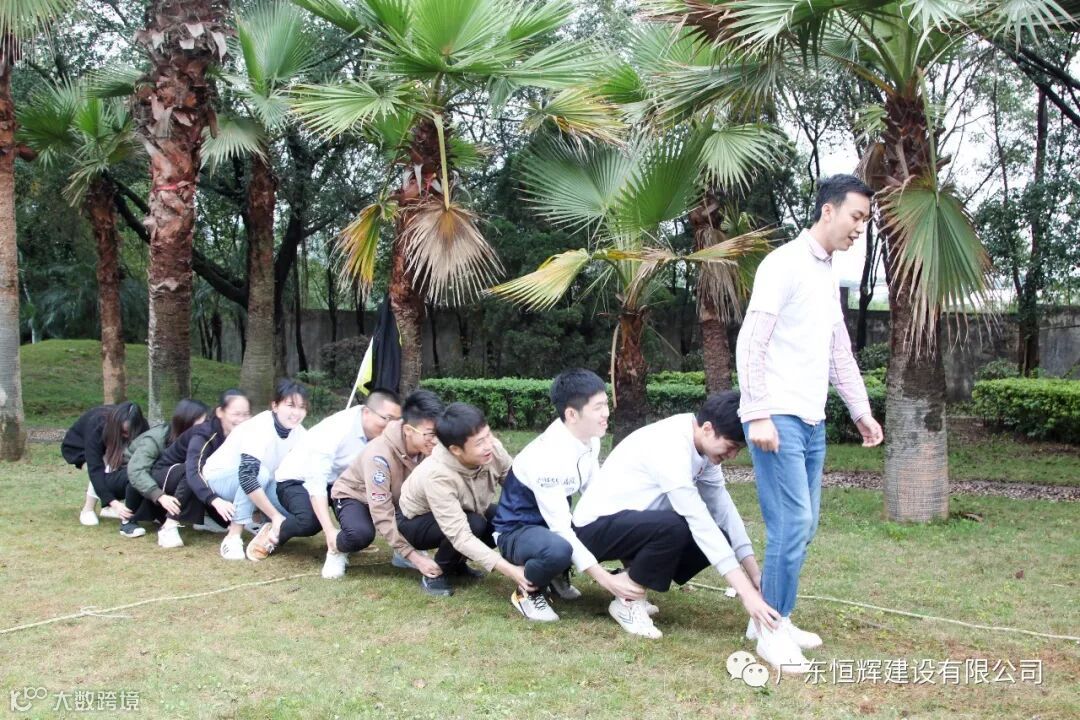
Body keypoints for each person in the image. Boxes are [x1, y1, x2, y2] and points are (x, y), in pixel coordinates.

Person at [736, 174, 884, 672]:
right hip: (777, 417)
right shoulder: (783, 264)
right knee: (791, 523)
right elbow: (751, 341)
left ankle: (771, 615)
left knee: (805, 525)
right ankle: (770, 631)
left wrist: (861, 411)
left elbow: (839, 351)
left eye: (866, 220)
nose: (860, 227)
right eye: (856, 216)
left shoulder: (826, 272)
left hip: (812, 420)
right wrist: (757, 413)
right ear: (828, 210)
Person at [572, 392, 780, 641]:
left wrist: (755, 576)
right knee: (675, 527)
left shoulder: (703, 450)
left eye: (738, 449)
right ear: (707, 428)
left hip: (628, 526)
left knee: (720, 534)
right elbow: (698, 520)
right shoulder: (670, 445)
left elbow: (724, 511)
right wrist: (746, 594)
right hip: (591, 531)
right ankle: (628, 601)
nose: (733, 455)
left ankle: (627, 580)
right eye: (731, 446)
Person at [491, 369, 646, 623]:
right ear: (572, 414)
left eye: (605, 404)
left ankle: (557, 574)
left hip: (553, 523)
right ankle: (527, 592)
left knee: (619, 521)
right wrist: (606, 580)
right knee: (558, 549)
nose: (606, 413)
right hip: (517, 532)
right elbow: (561, 529)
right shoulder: (547, 457)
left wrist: (626, 524)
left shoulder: (590, 440)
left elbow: (597, 494)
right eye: (598, 407)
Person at [396, 403, 534, 597]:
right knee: (475, 524)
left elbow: (518, 487)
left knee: (501, 518)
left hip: (466, 510)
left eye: (488, 435)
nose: (488, 445)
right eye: (479, 443)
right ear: (456, 449)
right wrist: (511, 570)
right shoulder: (437, 475)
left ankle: (457, 564)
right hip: (415, 521)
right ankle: (437, 573)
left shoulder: (493, 449)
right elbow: (459, 534)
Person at [247, 390, 402, 561]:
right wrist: (329, 531)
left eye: (396, 420)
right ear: (366, 412)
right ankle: (275, 531)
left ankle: (346, 540)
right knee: (310, 522)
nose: (391, 426)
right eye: (387, 419)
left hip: (340, 484)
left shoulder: (386, 435)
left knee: (361, 534)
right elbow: (316, 481)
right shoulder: (337, 429)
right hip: (298, 481)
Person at [324, 390, 444, 580]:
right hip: (356, 496)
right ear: (408, 430)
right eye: (430, 434)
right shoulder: (379, 456)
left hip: (395, 496)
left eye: (439, 433)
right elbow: (381, 512)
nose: (436, 441)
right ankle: (336, 548)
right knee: (360, 534)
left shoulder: (427, 446)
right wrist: (416, 559)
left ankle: (402, 554)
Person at [200, 379, 309, 561]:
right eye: (290, 405)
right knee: (260, 473)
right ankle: (233, 536)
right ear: (275, 406)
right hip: (219, 478)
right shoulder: (259, 426)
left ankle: (266, 530)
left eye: (302, 407)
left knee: (298, 512)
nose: (296, 413)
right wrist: (275, 515)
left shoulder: (300, 433)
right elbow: (247, 476)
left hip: (262, 480)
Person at [155, 389, 253, 547]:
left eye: (246, 414)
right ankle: (168, 526)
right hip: (166, 474)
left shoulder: (243, 434)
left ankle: (219, 520)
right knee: (192, 471)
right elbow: (193, 471)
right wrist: (214, 500)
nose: (241, 419)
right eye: (236, 414)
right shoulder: (204, 434)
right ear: (220, 412)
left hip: (197, 477)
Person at [120, 399, 209, 539]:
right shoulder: (157, 437)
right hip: (126, 473)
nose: (206, 427)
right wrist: (159, 496)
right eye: (202, 423)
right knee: (145, 475)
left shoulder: (197, 439)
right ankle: (127, 521)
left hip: (151, 475)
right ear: (186, 422)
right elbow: (136, 471)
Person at [62, 402, 149, 526]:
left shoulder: (143, 426)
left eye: (130, 433)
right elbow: (95, 469)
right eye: (123, 432)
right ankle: (87, 509)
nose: (126, 435)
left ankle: (107, 508)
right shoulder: (97, 424)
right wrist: (113, 502)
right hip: (79, 447)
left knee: (122, 468)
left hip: (112, 446)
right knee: (105, 469)